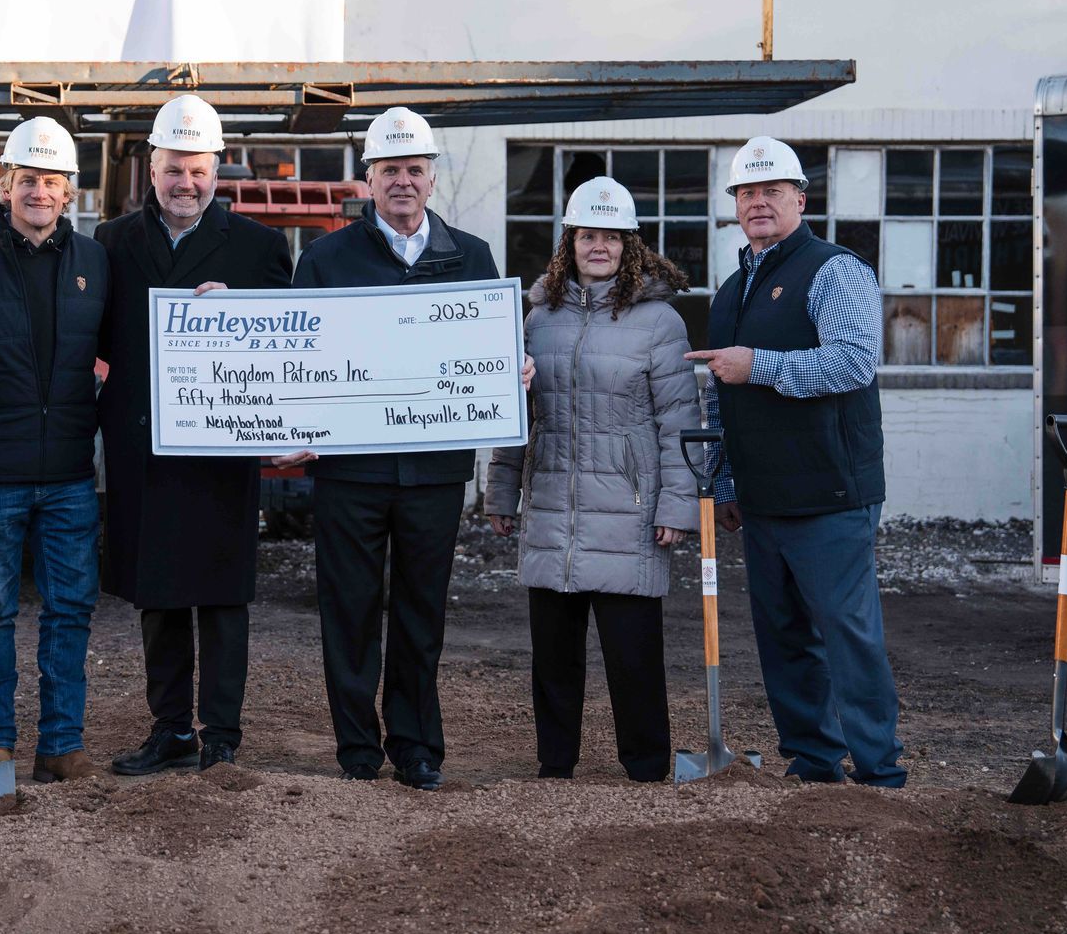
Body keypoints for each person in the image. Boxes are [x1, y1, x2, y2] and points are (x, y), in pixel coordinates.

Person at [289, 107, 530, 790]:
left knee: (422, 613)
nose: (402, 181)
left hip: (432, 472)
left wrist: (513, 371)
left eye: (413, 170)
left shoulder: (472, 257)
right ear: (368, 179)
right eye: (389, 169)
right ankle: (357, 750)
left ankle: (418, 746)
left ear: (431, 178)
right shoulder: (327, 259)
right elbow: (298, 354)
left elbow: (496, 350)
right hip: (351, 472)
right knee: (350, 610)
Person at [686, 135, 905, 788]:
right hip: (762, 497)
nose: (757, 203)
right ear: (734, 206)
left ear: (799, 200)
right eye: (746, 193)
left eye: (770, 191)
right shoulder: (730, 293)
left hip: (832, 491)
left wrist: (760, 365)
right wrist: (726, 481)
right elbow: (722, 395)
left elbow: (852, 361)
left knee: (847, 632)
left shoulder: (833, 271)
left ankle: (879, 770)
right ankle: (813, 758)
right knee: (782, 635)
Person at [96, 94, 294, 775]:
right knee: (159, 597)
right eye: (175, 170)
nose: (187, 184)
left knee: (222, 596)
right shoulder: (113, 242)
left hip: (221, 448)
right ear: (153, 170)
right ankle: (170, 730)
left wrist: (244, 318)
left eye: (199, 171)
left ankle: (223, 738)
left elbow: (291, 348)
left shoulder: (261, 248)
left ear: (218, 172)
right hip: (144, 446)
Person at [484, 177, 697, 782]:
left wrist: (676, 508)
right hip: (553, 505)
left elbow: (680, 421)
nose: (597, 246)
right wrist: (503, 489)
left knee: (633, 656)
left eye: (609, 236)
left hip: (629, 509)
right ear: (569, 241)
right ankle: (556, 763)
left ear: (628, 244)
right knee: (553, 655)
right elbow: (515, 412)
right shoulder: (537, 317)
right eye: (586, 235)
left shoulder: (659, 322)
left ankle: (647, 763)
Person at [0, 117, 110, 784]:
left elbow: (126, 350)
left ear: (70, 192)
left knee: (71, 609)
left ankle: (62, 746)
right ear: (6, 185)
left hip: (68, 470)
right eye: (27, 180)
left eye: (52, 182)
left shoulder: (95, 263)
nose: (39, 192)